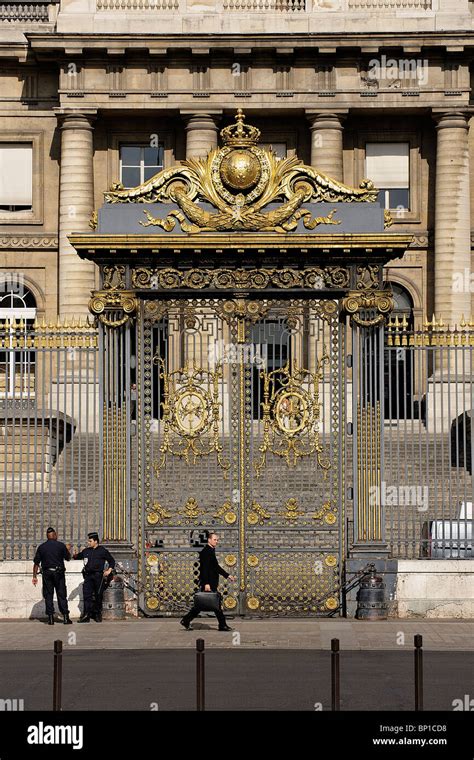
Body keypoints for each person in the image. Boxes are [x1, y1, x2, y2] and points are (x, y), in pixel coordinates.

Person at [180, 531, 236, 632]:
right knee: (214, 604)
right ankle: (222, 625)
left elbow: (216, 567)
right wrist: (206, 583)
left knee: (202, 605)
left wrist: (228, 575)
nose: (216, 541)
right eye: (215, 539)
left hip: (211, 582)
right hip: (209, 582)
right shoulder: (206, 552)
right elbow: (204, 569)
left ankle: (186, 620)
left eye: (217, 540)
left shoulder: (210, 550)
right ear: (209, 540)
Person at [32, 528, 72, 625]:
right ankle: (66, 618)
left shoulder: (42, 547)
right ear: (55, 535)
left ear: (47, 536)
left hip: (47, 574)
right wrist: (67, 549)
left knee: (48, 595)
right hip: (59, 573)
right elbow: (68, 558)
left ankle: (50, 619)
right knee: (61, 594)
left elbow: (36, 563)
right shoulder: (61, 546)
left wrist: (34, 576)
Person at [73, 532, 115, 623]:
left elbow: (112, 561)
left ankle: (97, 613)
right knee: (87, 595)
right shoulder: (86, 551)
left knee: (98, 595)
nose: (89, 542)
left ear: (96, 541)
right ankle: (86, 615)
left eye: (90, 541)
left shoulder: (102, 550)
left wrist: (109, 570)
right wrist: (74, 554)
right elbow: (78, 557)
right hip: (88, 576)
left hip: (98, 576)